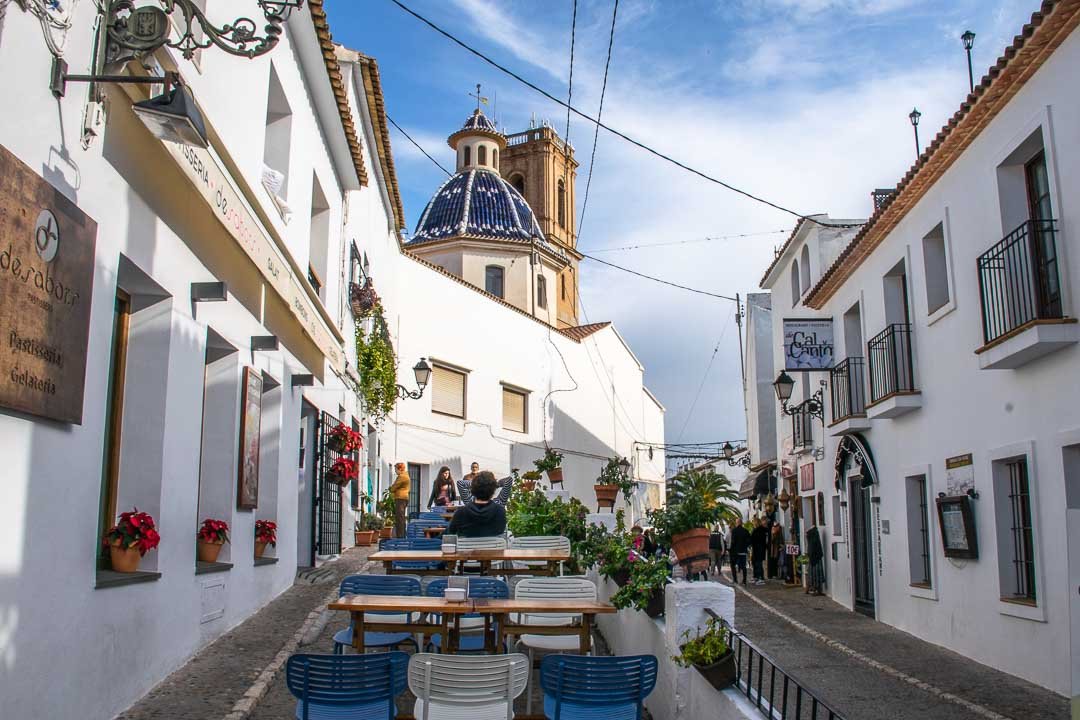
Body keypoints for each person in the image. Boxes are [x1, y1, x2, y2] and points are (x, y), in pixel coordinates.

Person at [447, 471, 507, 537]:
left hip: (467, 544)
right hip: (494, 544)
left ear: (472, 488)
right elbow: (501, 531)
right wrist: (490, 484)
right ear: (493, 490)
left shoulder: (461, 512)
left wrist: (478, 484)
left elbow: (450, 533)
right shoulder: (500, 512)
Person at [388, 463, 411, 539]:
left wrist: (391, 489)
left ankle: (400, 536)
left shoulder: (402, 476)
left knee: (399, 518)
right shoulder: (405, 475)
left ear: (400, 469)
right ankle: (402, 535)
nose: (395, 471)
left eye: (396, 469)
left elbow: (394, 487)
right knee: (401, 517)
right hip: (403, 498)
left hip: (400, 498)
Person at [728, 517, 750, 586]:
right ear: (741, 523)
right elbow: (749, 541)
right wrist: (745, 546)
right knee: (743, 566)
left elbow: (733, 542)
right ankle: (744, 581)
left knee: (733, 565)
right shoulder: (746, 531)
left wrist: (731, 550)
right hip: (743, 551)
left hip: (735, 552)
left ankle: (735, 580)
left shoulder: (734, 531)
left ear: (737, 523)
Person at [806, 523, 825, 596]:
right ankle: (816, 589)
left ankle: (815, 589)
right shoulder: (814, 534)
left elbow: (810, 547)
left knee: (813, 574)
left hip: (813, 557)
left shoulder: (810, 535)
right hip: (816, 557)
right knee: (816, 574)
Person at [750, 517, 769, 585]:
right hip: (756, 549)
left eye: (754, 522)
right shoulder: (756, 529)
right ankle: (756, 577)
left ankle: (761, 578)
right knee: (755, 563)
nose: (753, 523)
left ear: (757, 522)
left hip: (759, 549)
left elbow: (754, 539)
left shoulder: (760, 530)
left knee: (758, 564)